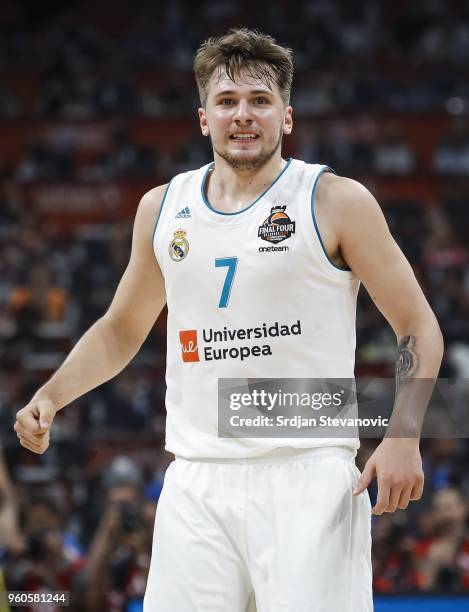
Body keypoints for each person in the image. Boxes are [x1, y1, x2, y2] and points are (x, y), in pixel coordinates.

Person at [14, 28, 443, 611]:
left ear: (286, 117)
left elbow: (418, 322)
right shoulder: (162, 207)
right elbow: (121, 329)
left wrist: (403, 434)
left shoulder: (335, 200)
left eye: (260, 101)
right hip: (197, 477)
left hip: (308, 472)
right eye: (227, 102)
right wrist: (52, 394)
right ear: (203, 118)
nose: (243, 115)